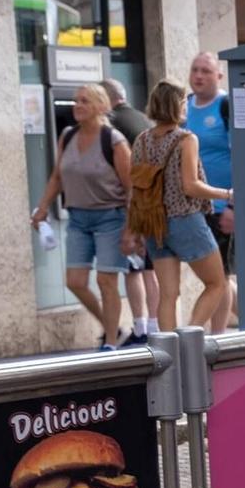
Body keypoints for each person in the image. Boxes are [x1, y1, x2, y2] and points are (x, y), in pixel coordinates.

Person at [30, 83, 132, 350]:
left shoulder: (114, 140)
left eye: (84, 101)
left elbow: (131, 186)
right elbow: (57, 177)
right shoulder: (68, 135)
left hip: (111, 217)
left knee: (106, 280)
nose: (77, 106)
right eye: (76, 101)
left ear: (100, 106)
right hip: (78, 218)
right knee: (74, 282)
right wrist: (42, 208)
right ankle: (114, 329)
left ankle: (110, 344)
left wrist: (132, 227)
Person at [129, 79, 232, 334]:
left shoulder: (141, 140)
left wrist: (134, 230)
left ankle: (170, 351)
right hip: (184, 219)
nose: (186, 105)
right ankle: (191, 336)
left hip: (153, 223)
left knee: (168, 294)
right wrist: (227, 193)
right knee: (216, 282)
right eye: (183, 100)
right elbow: (191, 186)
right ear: (176, 105)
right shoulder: (186, 139)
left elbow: (135, 187)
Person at [184, 52, 236, 333]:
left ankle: (219, 338)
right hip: (194, 208)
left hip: (222, 205)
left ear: (219, 76)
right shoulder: (184, 107)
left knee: (220, 277)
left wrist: (233, 206)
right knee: (215, 278)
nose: (199, 76)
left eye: (206, 71)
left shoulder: (225, 106)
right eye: (195, 70)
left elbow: (242, 157)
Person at [103, 76, 157, 343]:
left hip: (133, 203)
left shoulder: (112, 124)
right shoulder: (140, 118)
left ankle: (141, 329)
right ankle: (157, 328)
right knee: (149, 268)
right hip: (153, 201)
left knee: (133, 269)